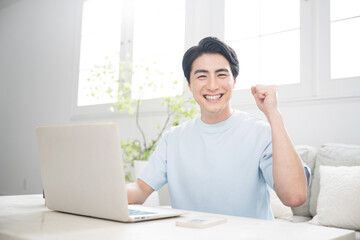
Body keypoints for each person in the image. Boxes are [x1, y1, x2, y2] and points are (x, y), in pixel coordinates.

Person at [126, 37, 309, 220]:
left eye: (221, 75)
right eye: (202, 76)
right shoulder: (173, 138)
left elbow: (294, 196)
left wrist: (273, 114)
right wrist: (104, 191)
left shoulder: (261, 133)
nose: (212, 86)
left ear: (234, 81)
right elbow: (140, 189)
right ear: (190, 85)